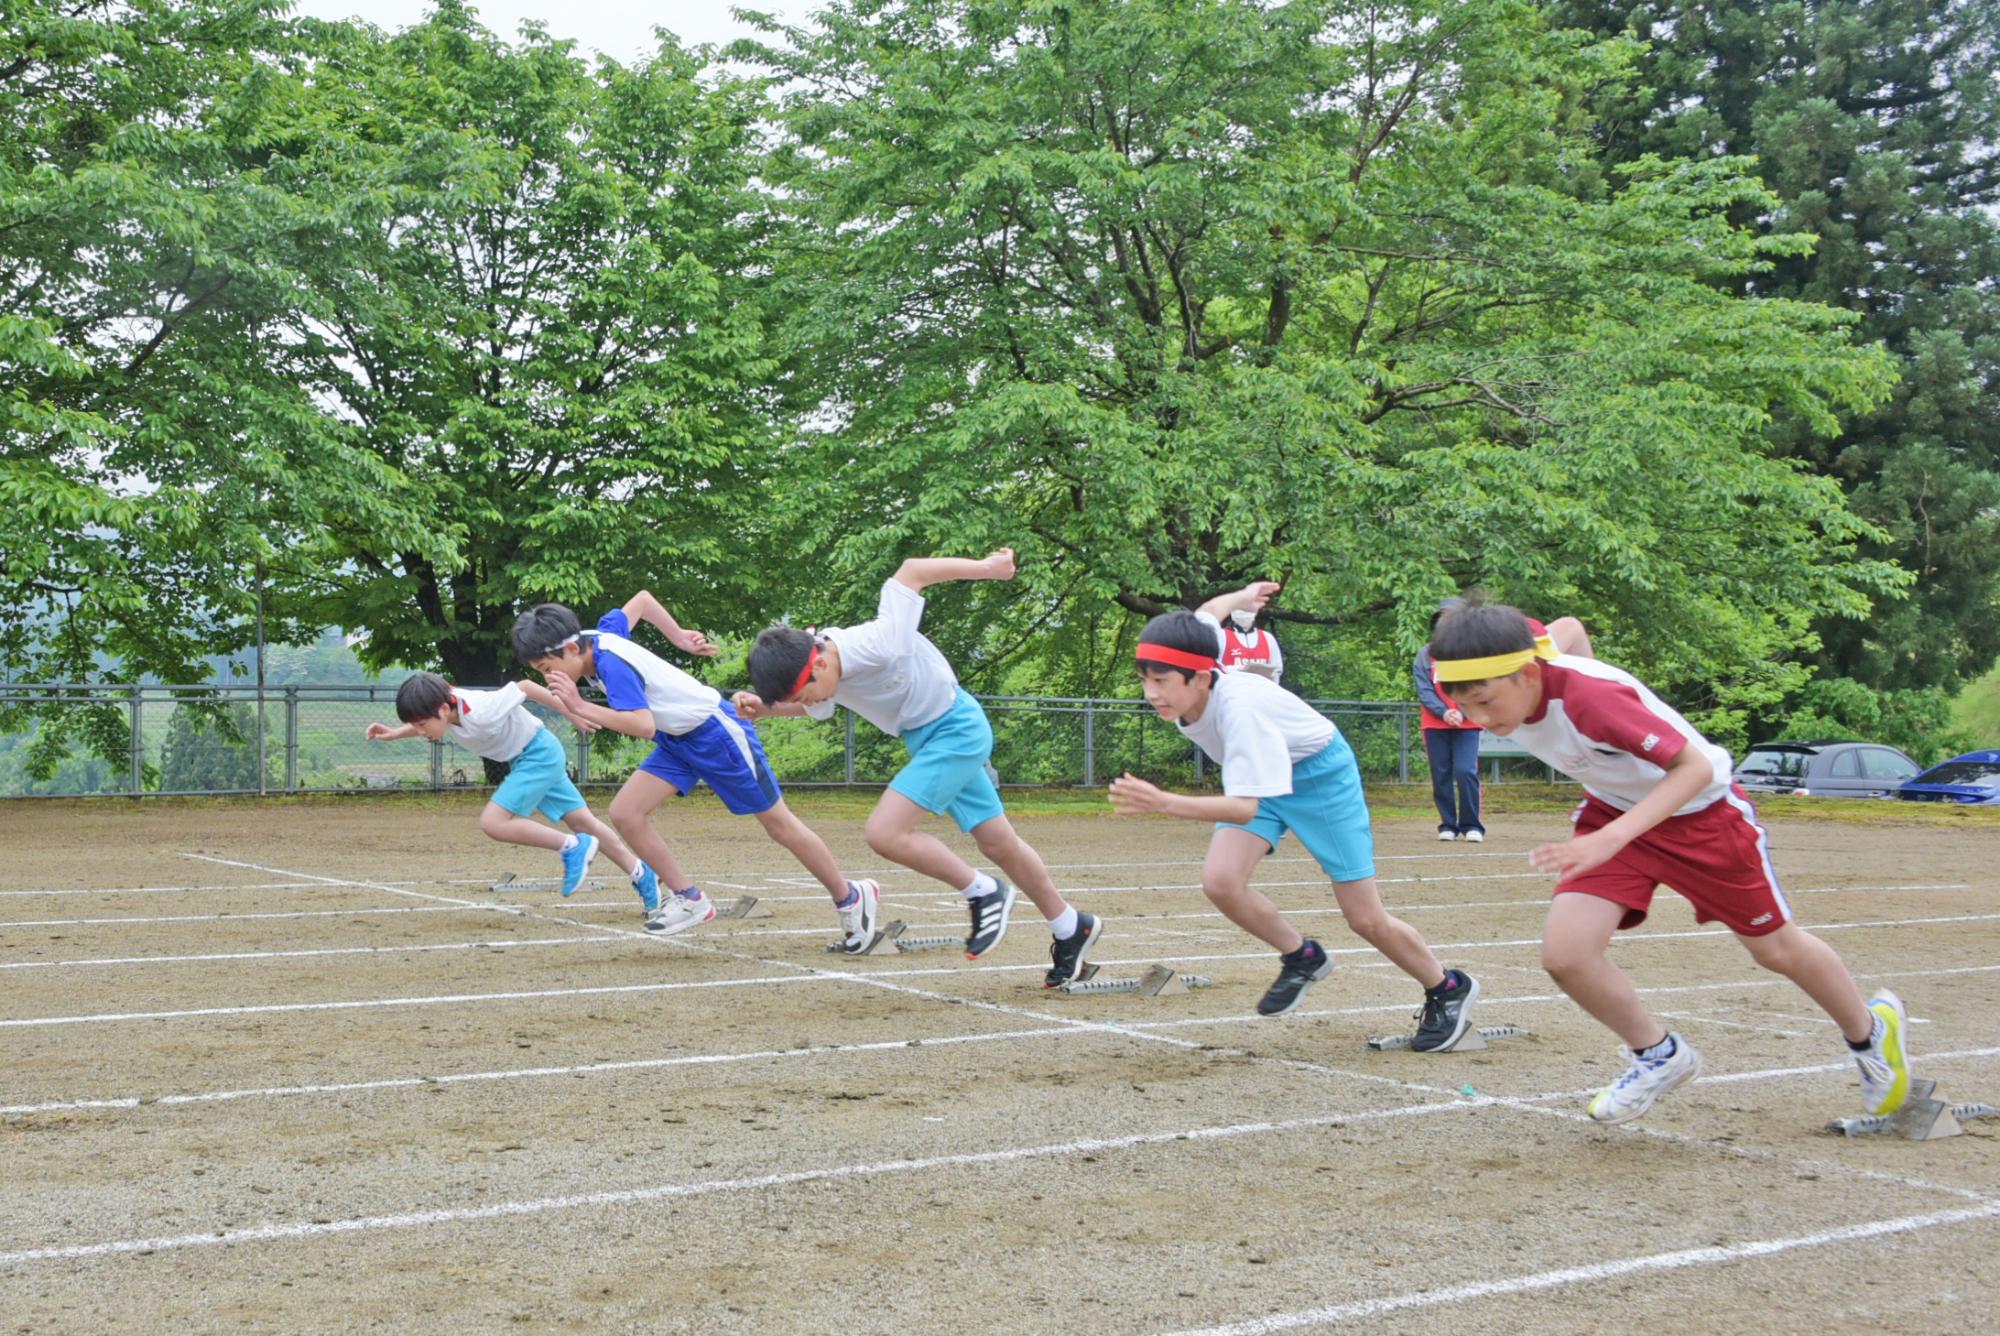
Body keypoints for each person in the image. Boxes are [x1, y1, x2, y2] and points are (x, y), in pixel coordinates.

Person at [1428, 599, 1913, 1124]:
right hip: (1614, 812)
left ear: (1527, 674)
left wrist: (1608, 837)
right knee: (1567, 957)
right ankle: (1658, 1055)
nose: (1476, 719)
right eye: (1463, 704)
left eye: (1485, 701)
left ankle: (1869, 1035)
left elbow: (1695, 769)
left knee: (1775, 949)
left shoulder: (1593, 702)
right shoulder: (1515, 661)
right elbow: (1568, 628)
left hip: (1703, 818)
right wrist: (1608, 818)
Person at [1107, 581, 1480, 1048]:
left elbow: (1243, 808)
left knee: (1364, 917)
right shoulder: (1194, 642)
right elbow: (1208, 610)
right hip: (1264, 772)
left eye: (1161, 681)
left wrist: (1165, 802)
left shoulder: (1240, 712)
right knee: (1221, 882)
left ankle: (1446, 988)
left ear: (1201, 678)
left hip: (1319, 775)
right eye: (1145, 678)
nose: (1151, 693)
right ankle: (1302, 956)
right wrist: (1242, 596)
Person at [736, 548, 1101, 987]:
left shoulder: (878, 641)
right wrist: (767, 710)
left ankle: (984, 893)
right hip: (926, 739)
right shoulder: (822, 671)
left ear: (818, 663)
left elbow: (912, 572)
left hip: (956, 729)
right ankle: (1070, 927)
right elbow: (817, 704)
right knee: (1000, 844)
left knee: (884, 833)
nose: (807, 704)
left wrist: (989, 570)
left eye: (803, 695)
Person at [512, 592, 881, 946]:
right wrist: (679, 638)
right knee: (626, 813)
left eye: (548, 667)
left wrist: (578, 705)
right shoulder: (599, 635)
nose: (548, 677)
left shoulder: (610, 661)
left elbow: (641, 725)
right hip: (678, 740)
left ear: (573, 648)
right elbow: (641, 600)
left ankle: (851, 896)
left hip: (715, 733)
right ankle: (689, 898)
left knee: (779, 825)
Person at [365, 672, 651, 899]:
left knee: (494, 822)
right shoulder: (445, 706)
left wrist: (572, 713)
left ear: (443, 708)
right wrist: (393, 734)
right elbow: (423, 721)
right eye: (415, 726)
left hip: (537, 754)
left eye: (422, 725)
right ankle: (641, 874)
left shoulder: (481, 711)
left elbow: (526, 686)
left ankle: (573, 848)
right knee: (584, 822)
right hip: (528, 756)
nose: (420, 732)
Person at [1219, 606, 1283, 682]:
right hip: (1232, 690)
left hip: (1261, 691)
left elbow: (1277, 671)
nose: (1243, 613)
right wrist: (1239, 669)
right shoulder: (1221, 636)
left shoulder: (1268, 638)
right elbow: (1214, 668)